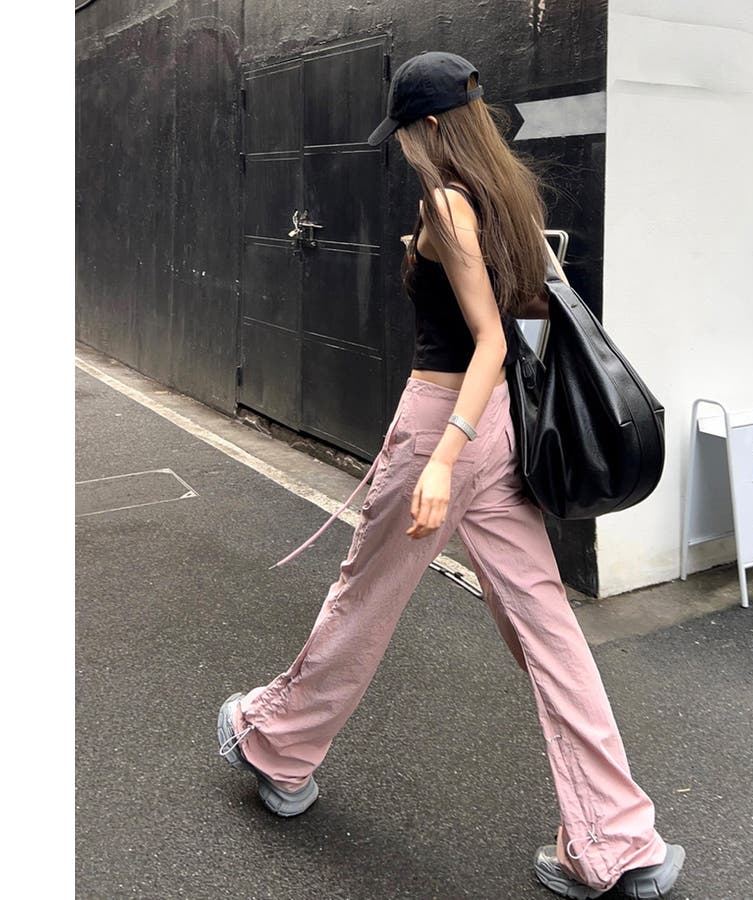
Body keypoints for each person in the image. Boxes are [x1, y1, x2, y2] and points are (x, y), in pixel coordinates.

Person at [216, 50, 685, 900]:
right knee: (546, 629)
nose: (400, 148)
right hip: (505, 432)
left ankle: (278, 745)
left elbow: (489, 340)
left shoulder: (444, 201)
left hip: (447, 423)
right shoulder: (508, 197)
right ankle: (616, 838)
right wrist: (432, 260)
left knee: (364, 597)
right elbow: (521, 317)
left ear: (429, 127)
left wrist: (439, 460)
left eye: (403, 133)